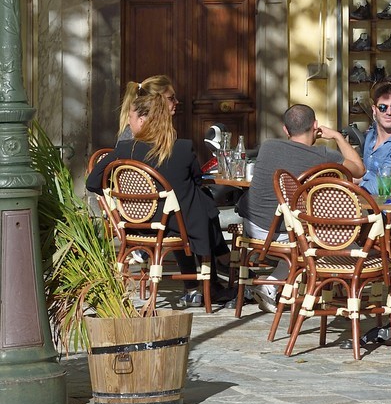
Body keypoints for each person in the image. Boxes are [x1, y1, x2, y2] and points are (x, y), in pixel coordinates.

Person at [90, 82, 229, 305]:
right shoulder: (182, 148)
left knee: (198, 202)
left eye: (131, 117)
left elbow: (92, 181)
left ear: (143, 121)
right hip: (178, 225)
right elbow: (197, 180)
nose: (128, 121)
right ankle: (214, 277)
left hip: (135, 225)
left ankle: (202, 282)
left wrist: (119, 197)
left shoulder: (124, 150)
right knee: (202, 202)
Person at [236, 104, 364, 308]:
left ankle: (271, 286)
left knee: (301, 229)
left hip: (251, 227)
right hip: (282, 232)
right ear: (315, 126)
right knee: (318, 231)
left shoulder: (267, 146)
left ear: (286, 130)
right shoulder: (322, 155)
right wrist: (338, 137)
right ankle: (342, 285)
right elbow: (359, 170)